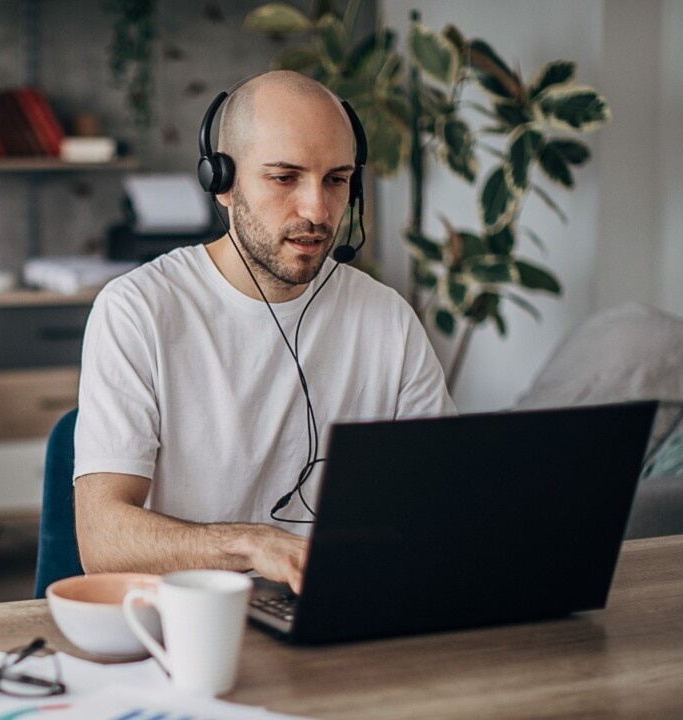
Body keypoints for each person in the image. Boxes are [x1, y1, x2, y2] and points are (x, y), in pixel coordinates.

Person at [72, 70, 455, 594]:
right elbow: (102, 543)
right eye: (285, 178)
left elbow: (443, 498)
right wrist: (252, 545)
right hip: (192, 626)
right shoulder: (138, 309)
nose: (317, 211)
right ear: (222, 182)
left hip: (342, 607)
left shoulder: (385, 316)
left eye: (337, 180)